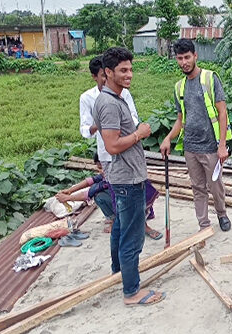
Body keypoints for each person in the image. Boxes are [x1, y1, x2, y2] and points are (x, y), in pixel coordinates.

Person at [93, 47, 165, 306]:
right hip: (127, 179)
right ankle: (132, 292)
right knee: (132, 237)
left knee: (121, 229)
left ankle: (119, 274)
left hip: (122, 176)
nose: (129, 74)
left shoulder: (111, 98)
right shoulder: (110, 104)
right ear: (108, 72)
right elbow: (112, 145)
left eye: (131, 69)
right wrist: (139, 134)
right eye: (123, 70)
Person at [160, 39, 232, 232]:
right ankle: (204, 224)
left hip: (210, 146)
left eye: (187, 57)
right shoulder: (179, 87)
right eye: (180, 58)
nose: (184, 62)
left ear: (195, 56)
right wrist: (168, 138)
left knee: (215, 185)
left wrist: (222, 144)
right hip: (190, 147)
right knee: (197, 187)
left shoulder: (209, 79)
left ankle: (222, 214)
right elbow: (180, 119)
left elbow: (222, 112)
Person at [55, 153, 161, 238]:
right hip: (133, 202)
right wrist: (69, 190)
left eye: (101, 167)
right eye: (99, 168)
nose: (100, 171)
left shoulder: (114, 177)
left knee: (98, 196)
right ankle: (119, 221)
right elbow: (89, 181)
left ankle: (142, 226)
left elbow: (89, 192)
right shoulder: (109, 172)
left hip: (138, 203)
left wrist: (68, 198)